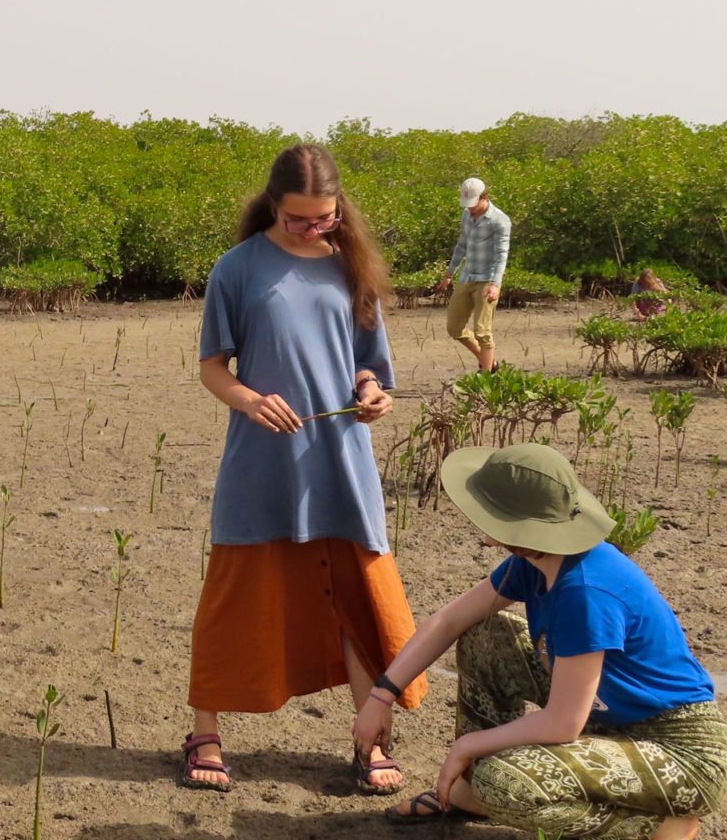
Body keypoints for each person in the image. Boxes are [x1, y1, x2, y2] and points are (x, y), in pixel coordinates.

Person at [354, 443, 727, 840]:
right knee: (485, 635)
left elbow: (563, 722)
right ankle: (466, 793)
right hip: (608, 714)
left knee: (506, 785)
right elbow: (451, 620)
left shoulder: (585, 590)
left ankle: (664, 823)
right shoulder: (533, 563)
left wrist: (469, 745)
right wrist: (381, 696)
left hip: (680, 751)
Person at [181, 143, 423, 797]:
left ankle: (369, 738)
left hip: (341, 461)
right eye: (298, 220)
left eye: (323, 218)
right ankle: (205, 731)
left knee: (355, 596)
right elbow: (212, 368)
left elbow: (368, 366)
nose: (312, 229)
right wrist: (251, 400)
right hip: (260, 465)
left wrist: (374, 392)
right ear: (273, 206)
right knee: (236, 595)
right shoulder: (236, 270)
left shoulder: (353, 269)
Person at [437, 177, 512, 372]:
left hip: (487, 279)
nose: (469, 208)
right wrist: (449, 273)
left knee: (482, 331)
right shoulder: (466, 215)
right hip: (467, 276)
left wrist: (495, 285)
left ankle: (486, 378)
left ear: (484, 197)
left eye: (473, 203)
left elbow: (501, 255)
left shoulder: (500, 220)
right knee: (454, 328)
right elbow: (461, 245)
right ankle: (490, 362)